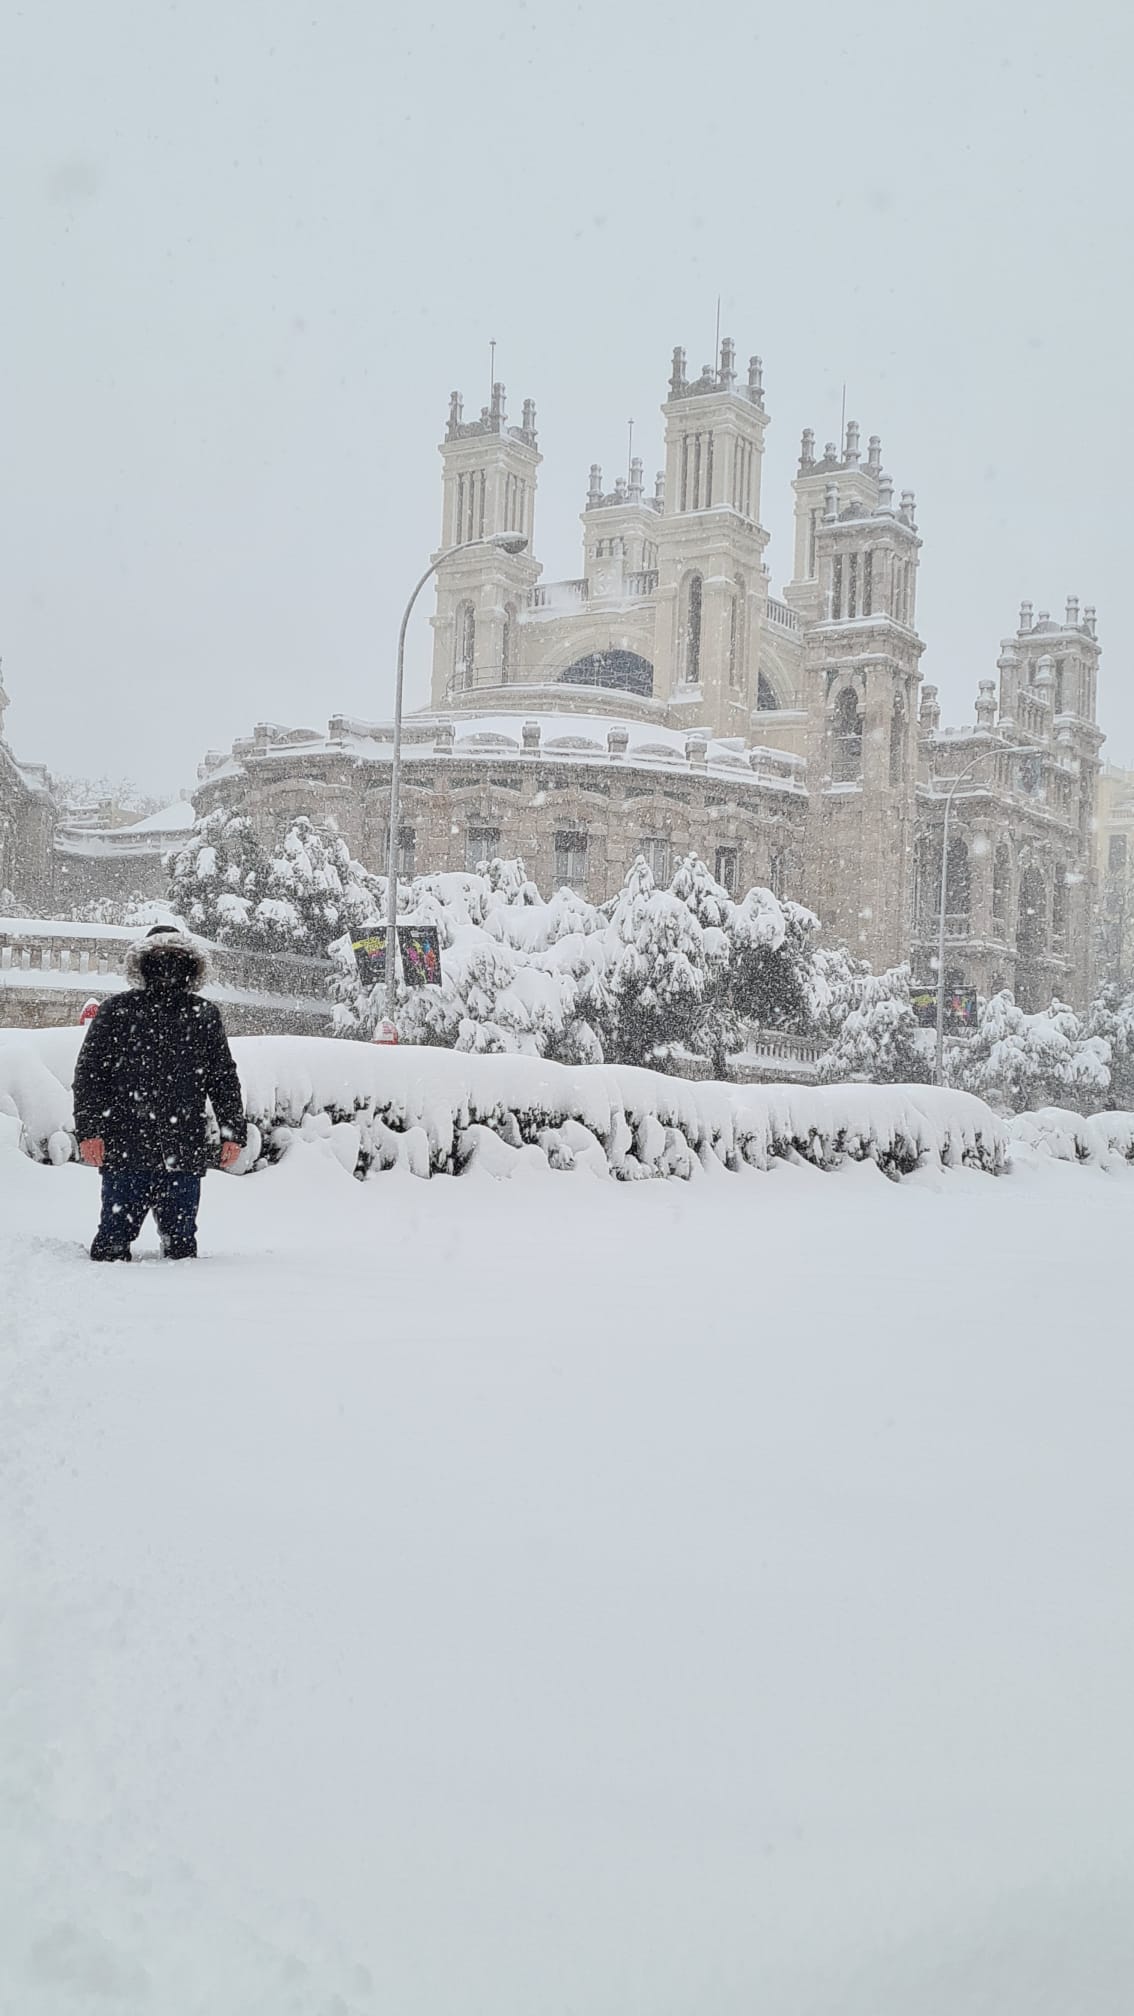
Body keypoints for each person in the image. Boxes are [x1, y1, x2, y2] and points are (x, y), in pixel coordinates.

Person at [73, 924, 247, 1262]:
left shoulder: (203, 1015)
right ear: (142, 964)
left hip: (181, 1148)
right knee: (111, 1244)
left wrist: (233, 1133)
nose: (168, 967)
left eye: (176, 959)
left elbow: (223, 1078)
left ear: (191, 965)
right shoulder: (117, 1012)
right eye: (159, 959)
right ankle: (108, 1307)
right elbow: (90, 1076)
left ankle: (178, 1308)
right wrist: (90, 1131)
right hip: (127, 1146)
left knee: (181, 1248)